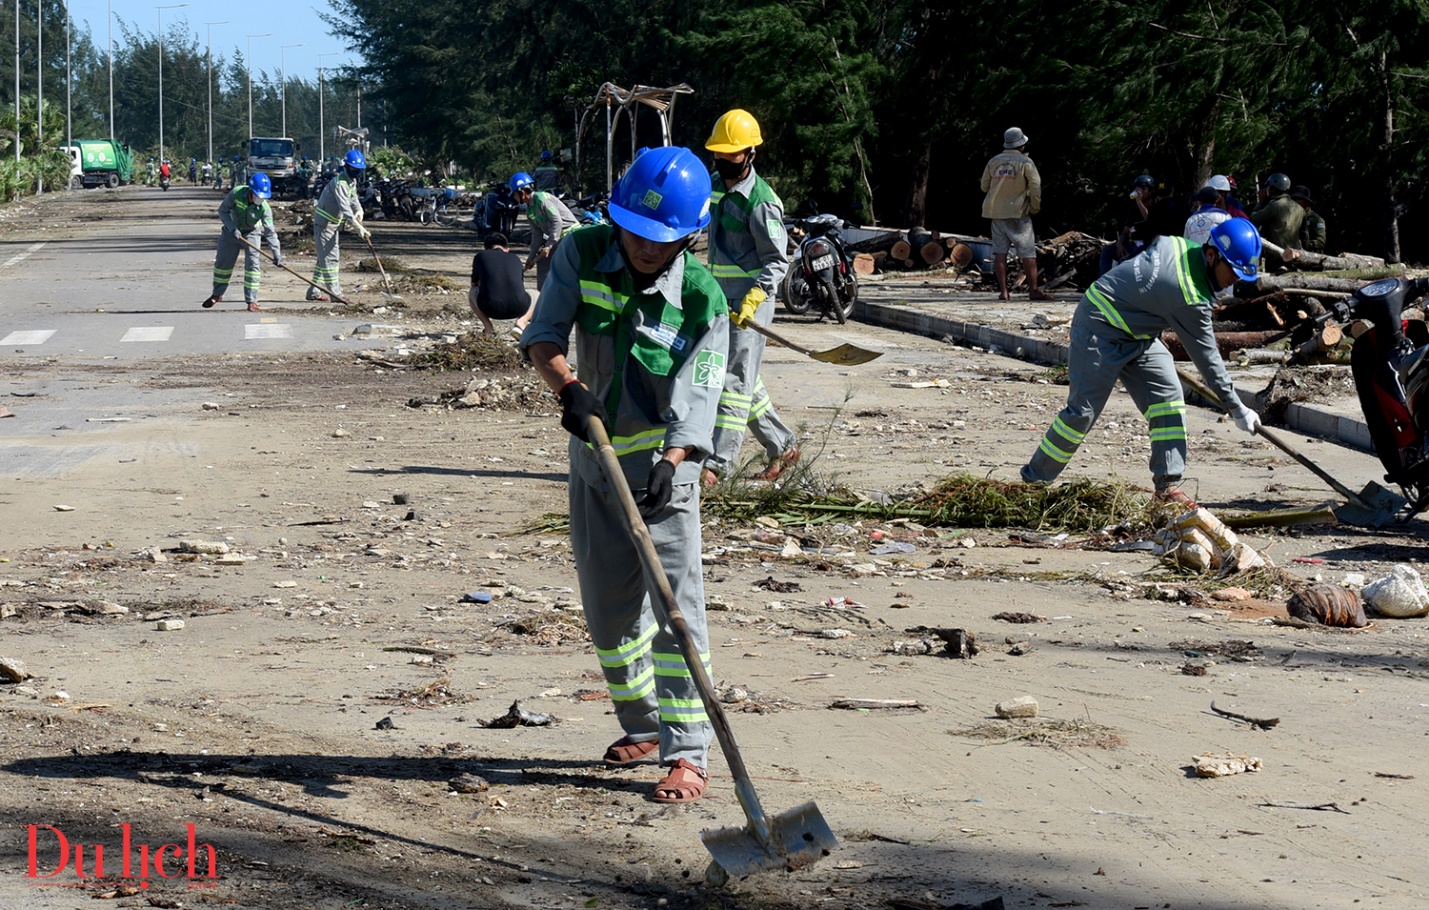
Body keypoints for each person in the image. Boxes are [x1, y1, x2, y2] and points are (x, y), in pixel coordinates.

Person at [519, 145, 726, 805]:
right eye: (635, 231)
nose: (643, 247)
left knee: (675, 613)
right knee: (608, 614)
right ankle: (640, 727)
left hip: (664, 474)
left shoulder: (701, 297)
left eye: (659, 239)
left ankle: (687, 753)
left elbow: (701, 396)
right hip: (594, 462)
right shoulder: (581, 252)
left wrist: (674, 463)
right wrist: (568, 388)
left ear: (687, 236)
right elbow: (542, 334)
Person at [1020, 218, 1265, 505]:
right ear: (1212, 256)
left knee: (1168, 399)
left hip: (1138, 334)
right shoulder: (1187, 295)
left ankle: (1168, 486)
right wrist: (1236, 407)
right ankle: (1034, 482)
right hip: (1100, 328)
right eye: (1233, 271)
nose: (1235, 279)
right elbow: (1208, 361)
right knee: (1082, 412)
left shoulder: (1183, 246)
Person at [701, 108, 799, 485]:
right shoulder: (714, 184)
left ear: (751, 154)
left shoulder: (761, 201)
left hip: (750, 306)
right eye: (719, 155)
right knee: (746, 381)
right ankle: (783, 446)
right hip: (720, 301)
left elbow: (778, 260)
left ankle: (717, 465)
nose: (724, 162)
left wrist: (754, 298)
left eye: (732, 156)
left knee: (734, 382)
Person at [980, 127, 1051, 300]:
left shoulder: (994, 162)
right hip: (1019, 214)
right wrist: (1035, 206)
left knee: (1000, 253)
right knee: (1027, 252)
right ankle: (1033, 290)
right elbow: (1035, 186)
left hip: (996, 213)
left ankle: (1004, 292)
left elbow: (984, 186)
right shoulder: (1026, 163)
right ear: (1021, 145)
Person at [201, 173, 282, 313]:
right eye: (258, 195)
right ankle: (217, 294)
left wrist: (276, 253)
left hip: (251, 233)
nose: (260, 199)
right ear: (251, 190)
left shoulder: (265, 209)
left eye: (263, 196)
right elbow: (223, 211)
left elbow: (270, 232)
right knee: (222, 264)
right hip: (230, 232)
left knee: (253, 265)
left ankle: (252, 301)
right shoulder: (237, 193)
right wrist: (232, 228)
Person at [307, 149, 370, 302]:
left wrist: (359, 211)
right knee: (331, 259)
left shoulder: (350, 182)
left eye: (359, 169)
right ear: (347, 167)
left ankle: (314, 291)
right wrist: (357, 227)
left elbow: (353, 201)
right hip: (324, 225)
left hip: (332, 226)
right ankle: (335, 293)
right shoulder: (340, 184)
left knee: (323, 259)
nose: (357, 171)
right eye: (354, 168)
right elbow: (345, 208)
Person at [509, 171, 577, 292]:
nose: (514, 198)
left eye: (514, 194)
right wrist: (531, 256)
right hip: (557, 239)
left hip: (570, 235)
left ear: (522, 192)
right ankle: (544, 295)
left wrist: (549, 245)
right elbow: (537, 235)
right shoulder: (530, 211)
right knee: (543, 264)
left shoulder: (542, 200)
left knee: (562, 266)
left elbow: (557, 222)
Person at [468, 232, 534, 334]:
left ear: (486, 248)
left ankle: (488, 328)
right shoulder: (515, 258)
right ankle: (522, 321)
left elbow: (474, 284)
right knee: (538, 294)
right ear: (507, 248)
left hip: (490, 308)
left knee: (473, 292)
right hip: (518, 307)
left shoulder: (480, 256)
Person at [1099, 174, 1155, 276]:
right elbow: (1126, 231)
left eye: (1143, 189)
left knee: (1124, 262)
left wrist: (1139, 202)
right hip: (1133, 244)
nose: (1140, 192)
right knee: (1107, 251)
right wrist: (1119, 244)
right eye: (1138, 189)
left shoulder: (1155, 206)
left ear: (1150, 191)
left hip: (1147, 246)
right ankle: (1102, 281)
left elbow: (1150, 220)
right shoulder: (1134, 209)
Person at [1250, 172, 1304, 269]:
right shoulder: (1299, 208)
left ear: (1273, 189)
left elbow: (1253, 220)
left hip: (1276, 256)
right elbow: (1305, 236)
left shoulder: (1275, 205)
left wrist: (1260, 203)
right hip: (1295, 256)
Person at [1292, 186, 1327, 253]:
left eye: (1298, 199)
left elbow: (1320, 242)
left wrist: (1305, 244)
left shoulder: (1316, 219)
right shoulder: (1293, 217)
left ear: (1306, 202)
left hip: (1311, 256)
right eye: (1294, 199)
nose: (1295, 202)